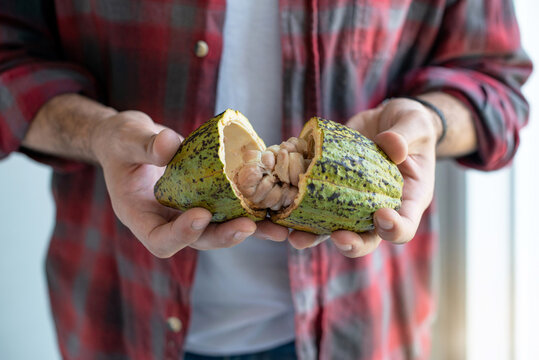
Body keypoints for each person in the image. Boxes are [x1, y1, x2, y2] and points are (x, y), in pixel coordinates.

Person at [0, 0, 531, 359]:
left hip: (361, 327)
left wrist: (429, 123)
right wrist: (96, 134)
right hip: (119, 316)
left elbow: (495, 83)